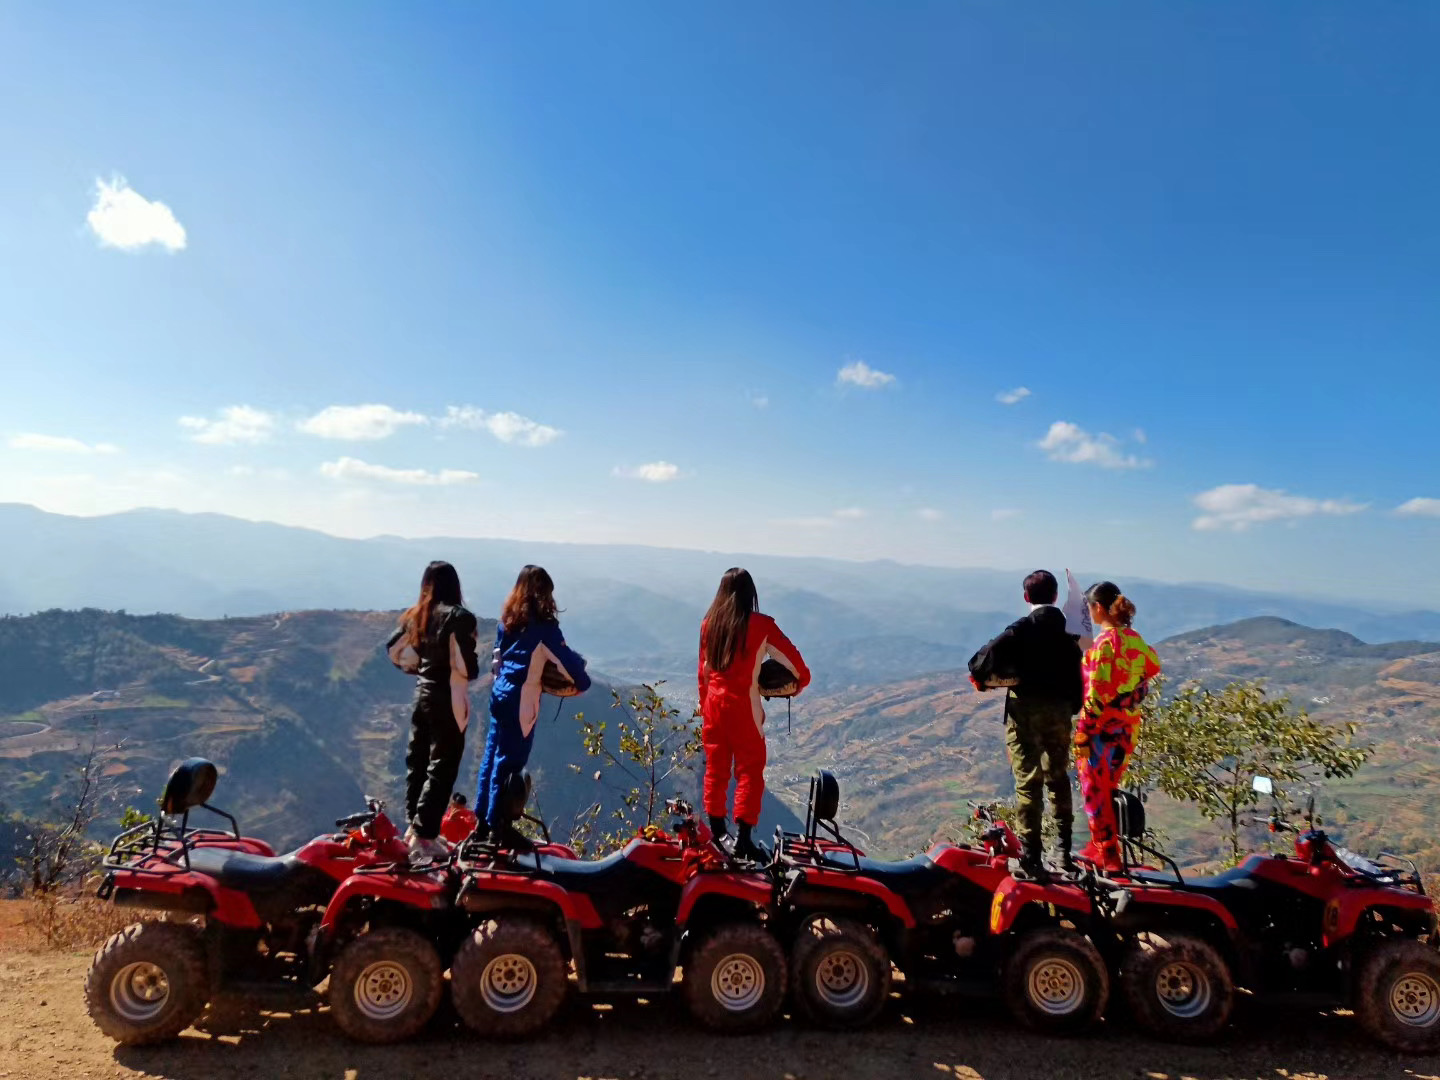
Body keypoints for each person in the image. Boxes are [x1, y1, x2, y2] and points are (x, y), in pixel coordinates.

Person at [968, 570, 1084, 879]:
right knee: (1058, 779)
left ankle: (1032, 856)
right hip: (1059, 714)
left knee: (1028, 781)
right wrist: (1067, 709)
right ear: (1055, 596)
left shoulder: (1019, 631)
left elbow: (980, 660)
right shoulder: (1068, 635)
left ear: (1025, 597)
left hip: (1025, 713)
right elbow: (1078, 682)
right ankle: (1063, 852)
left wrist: (983, 678)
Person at [698, 567, 810, 861]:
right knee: (749, 772)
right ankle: (743, 840)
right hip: (742, 709)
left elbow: (703, 672)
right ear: (751, 594)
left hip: (712, 706)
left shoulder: (709, 624)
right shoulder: (761, 625)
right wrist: (796, 686)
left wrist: (704, 707)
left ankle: (717, 832)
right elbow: (795, 664)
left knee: (716, 769)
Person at [476, 565, 590, 845]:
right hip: (522, 700)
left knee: (491, 759)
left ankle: (482, 821)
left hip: (499, 694)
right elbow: (568, 661)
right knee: (510, 763)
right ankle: (499, 829)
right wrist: (582, 684)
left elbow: (497, 658)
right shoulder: (545, 629)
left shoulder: (507, 621)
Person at [387, 560, 480, 862]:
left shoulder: (419, 616)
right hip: (449, 697)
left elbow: (394, 651)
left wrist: (419, 667)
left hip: (422, 695)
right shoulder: (459, 617)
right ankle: (425, 835)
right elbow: (467, 667)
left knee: (418, 762)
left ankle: (416, 830)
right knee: (443, 766)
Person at [1077, 581, 1162, 873]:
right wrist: (1130, 695)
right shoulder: (1135, 639)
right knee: (1107, 787)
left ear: (1098, 608)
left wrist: (1083, 732)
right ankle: (1104, 846)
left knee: (1093, 789)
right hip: (1127, 729)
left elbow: (1096, 693)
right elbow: (1152, 667)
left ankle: (1106, 853)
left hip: (1101, 729)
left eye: (1089, 608)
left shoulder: (1103, 645)